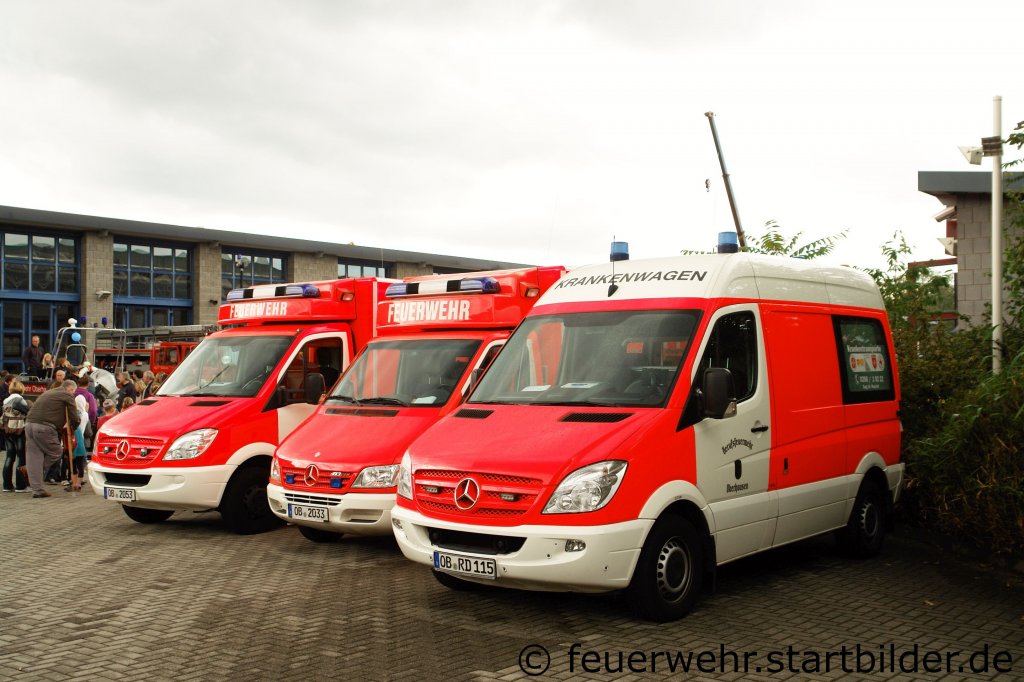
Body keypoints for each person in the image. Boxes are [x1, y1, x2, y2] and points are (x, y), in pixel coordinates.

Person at [24, 380, 79, 499]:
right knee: (56, 452)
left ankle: (37, 490)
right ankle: (31, 470)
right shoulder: (67, 395)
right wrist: (74, 426)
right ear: (70, 389)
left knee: (34, 455)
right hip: (45, 427)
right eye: (73, 392)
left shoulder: (48, 392)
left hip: (29, 424)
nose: (73, 394)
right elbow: (74, 416)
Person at [2, 379, 29, 492]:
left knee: (9, 457)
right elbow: (29, 412)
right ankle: (20, 485)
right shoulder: (20, 400)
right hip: (19, 431)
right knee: (21, 457)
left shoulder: (6, 401)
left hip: (7, 430)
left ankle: (7, 485)